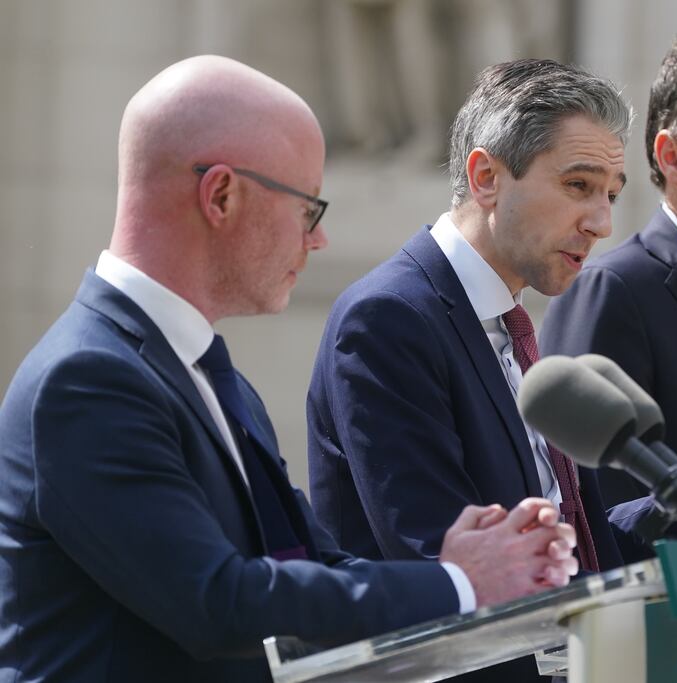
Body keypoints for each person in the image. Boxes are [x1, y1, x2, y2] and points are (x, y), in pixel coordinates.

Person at [0, 55, 579, 683]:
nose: (319, 240)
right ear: (220, 194)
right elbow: (221, 605)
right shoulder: (88, 380)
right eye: (308, 208)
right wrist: (458, 584)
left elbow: (311, 562)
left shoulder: (214, 379)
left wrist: (461, 571)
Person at [307, 56, 677, 681]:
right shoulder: (390, 318)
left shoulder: (512, 322)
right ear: (486, 176)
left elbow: (588, 549)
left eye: (612, 194)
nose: (602, 223)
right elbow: (447, 563)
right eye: (578, 186)